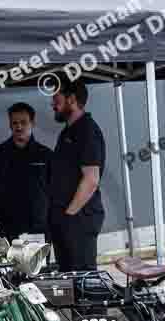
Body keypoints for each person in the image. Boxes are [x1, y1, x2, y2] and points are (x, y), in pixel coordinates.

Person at [48, 77, 106, 272]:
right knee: (68, 281)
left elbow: (91, 179)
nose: (52, 105)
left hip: (79, 219)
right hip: (65, 218)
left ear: (71, 99)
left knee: (82, 279)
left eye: (56, 100)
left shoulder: (86, 131)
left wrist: (69, 216)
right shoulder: (67, 132)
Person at [0, 102, 52, 242]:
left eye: (23, 122)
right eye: (15, 123)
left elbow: (55, 191)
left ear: (32, 123)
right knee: (5, 265)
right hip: (7, 228)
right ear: (10, 125)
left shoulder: (46, 155)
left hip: (38, 228)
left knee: (39, 264)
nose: (19, 127)